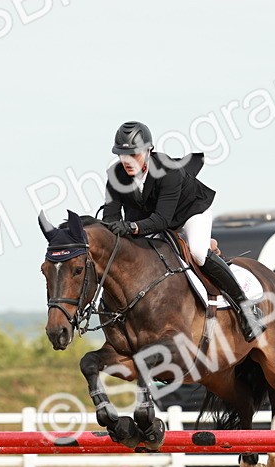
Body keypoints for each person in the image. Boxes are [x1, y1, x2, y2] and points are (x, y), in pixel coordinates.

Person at [101, 120, 263, 341]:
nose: (127, 161)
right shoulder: (116, 175)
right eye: (122, 155)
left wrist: (131, 227)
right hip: (150, 218)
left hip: (189, 212)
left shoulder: (168, 171)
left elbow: (162, 219)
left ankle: (246, 309)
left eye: (134, 155)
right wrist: (111, 228)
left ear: (149, 150)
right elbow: (110, 215)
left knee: (197, 252)